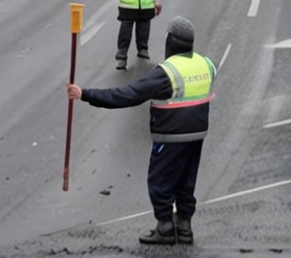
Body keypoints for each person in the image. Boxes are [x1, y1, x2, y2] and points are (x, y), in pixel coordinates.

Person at [66, 16, 216, 245]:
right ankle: (185, 227)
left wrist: (84, 94)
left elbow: (126, 95)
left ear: (171, 42)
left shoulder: (166, 72)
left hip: (170, 135)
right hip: (197, 135)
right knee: (186, 180)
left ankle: (165, 227)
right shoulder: (206, 64)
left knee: (160, 181)